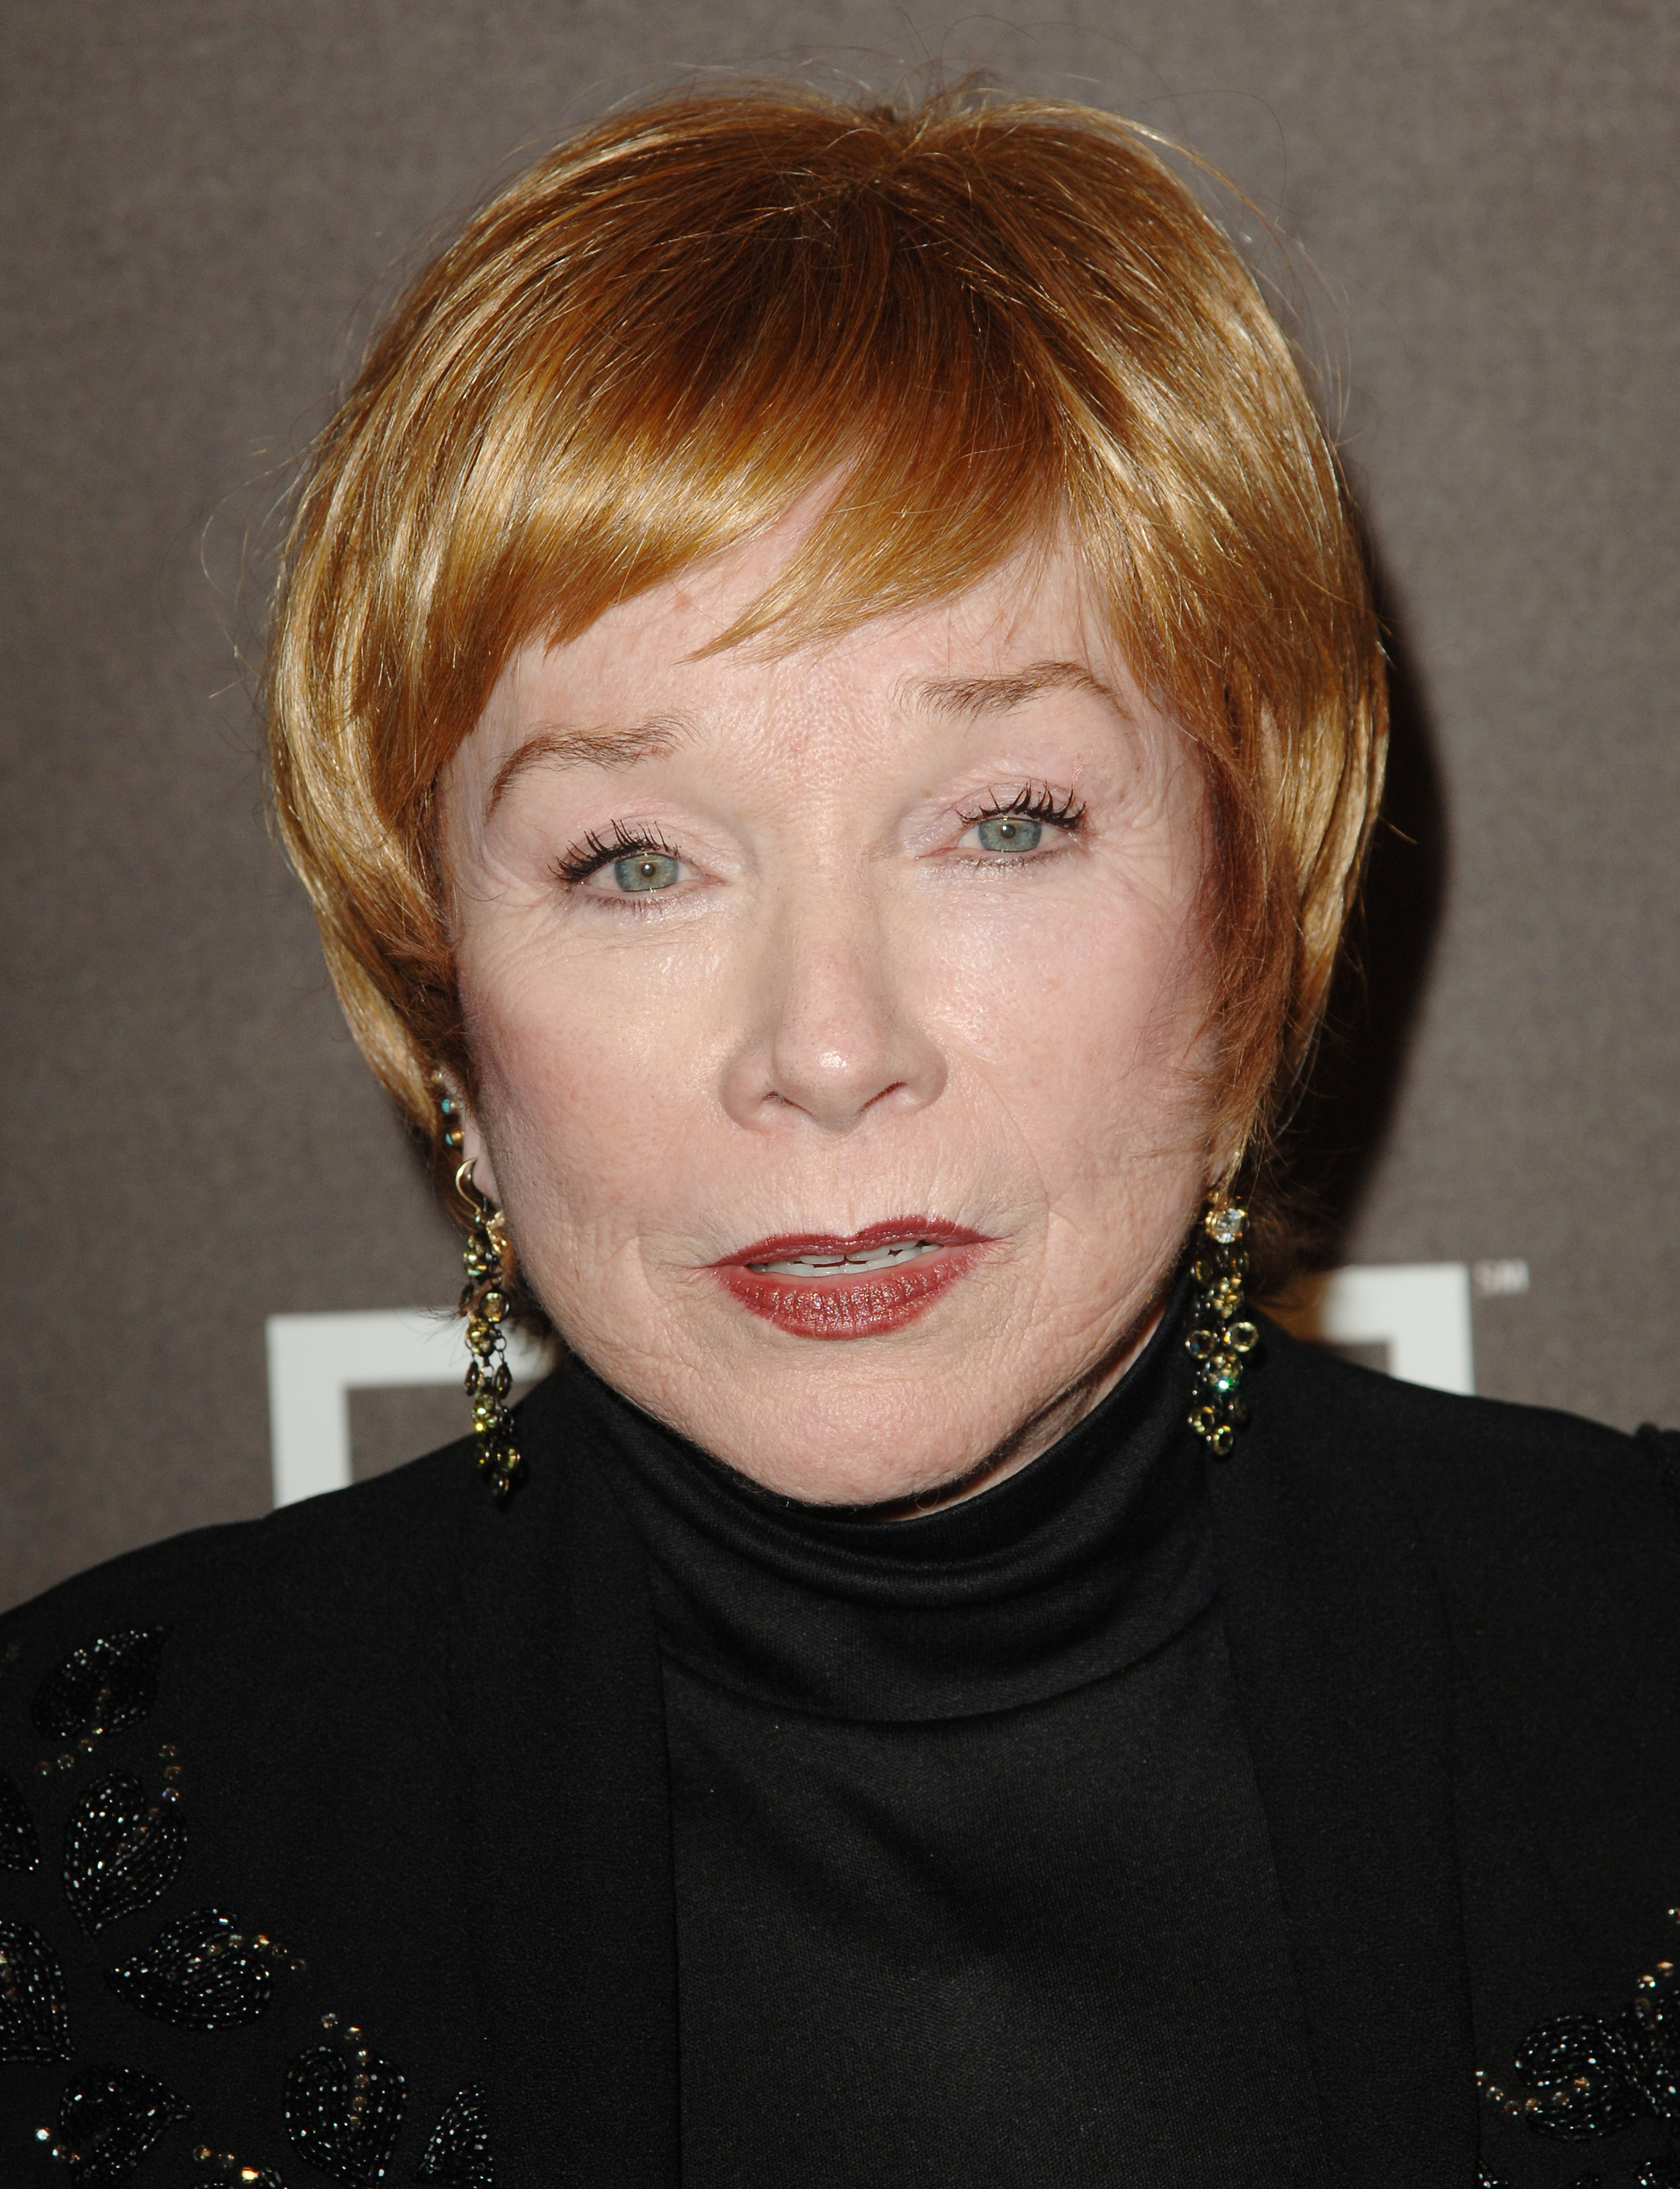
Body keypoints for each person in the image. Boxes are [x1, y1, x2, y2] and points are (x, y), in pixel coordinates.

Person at [1, 83, 1676, 2189]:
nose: (823, 1046)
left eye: (1003, 823)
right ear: (442, 998)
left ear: (1251, 937)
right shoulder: (72, 1855)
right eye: (633, 861)